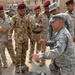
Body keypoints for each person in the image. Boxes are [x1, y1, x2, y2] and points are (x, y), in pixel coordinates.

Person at [10, 3, 34, 73]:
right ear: (18, 10)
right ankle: (17, 66)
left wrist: (31, 38)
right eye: (21, 11)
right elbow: (11, 28)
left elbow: (29, 29)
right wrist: (9, 37)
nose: (23, 12)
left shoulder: (27, 17)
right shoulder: (14, 18)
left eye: (24, 11)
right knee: (18, 54)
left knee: (24, 53)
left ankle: (23, 64)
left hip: (25, 39)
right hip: (18, 39)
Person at [0, 4, 15, 68]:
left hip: (8, 37)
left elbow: (12, 25)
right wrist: (8, 27)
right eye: (0, 12)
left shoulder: (7, 17)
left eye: (2, 11)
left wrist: (6, 28)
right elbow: (2, 31)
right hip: (1, 39)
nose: (2, 13)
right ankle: (5, 63)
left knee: (11, 50)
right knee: (2, 52)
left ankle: (14, 60)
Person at [38, 0, 51, 67]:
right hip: (43, 34)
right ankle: (42, 61)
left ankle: (53, 62)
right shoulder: (41, 14)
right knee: (43, 49)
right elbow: (37, 22)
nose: (47, 10)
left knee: (53, 49)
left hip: (52, 35)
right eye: (45, 8)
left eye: (48, 8)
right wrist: (39, 25)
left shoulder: (53, 13)